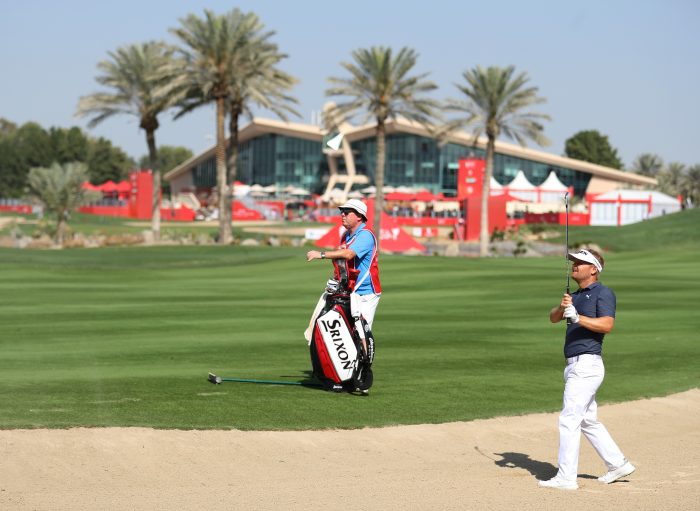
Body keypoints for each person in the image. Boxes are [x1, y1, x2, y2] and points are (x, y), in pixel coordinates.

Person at [539, 248, 635, 490]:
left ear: (594, 269)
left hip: (587, 364)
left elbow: (607, 325)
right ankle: (617, 463)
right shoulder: (576, 295)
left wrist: (577, 318)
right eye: (574, 262)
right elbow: (552, 318)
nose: (574, 265)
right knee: (587, 420)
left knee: (569, 418)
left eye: (580, 262)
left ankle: (566, 477)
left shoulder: (602, 292)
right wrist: (564, 308)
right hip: (575, 365)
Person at [306, 198, 382, 329]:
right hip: (349, 291)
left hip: (366, 293)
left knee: (361, 331)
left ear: (359, 216)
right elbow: (342, 261)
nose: (342, 215)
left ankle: (364, 350)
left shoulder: (366, 235)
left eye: (347, 212)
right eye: (342, 211)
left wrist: (321, 255)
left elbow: (348, 254)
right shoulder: (345, 235)